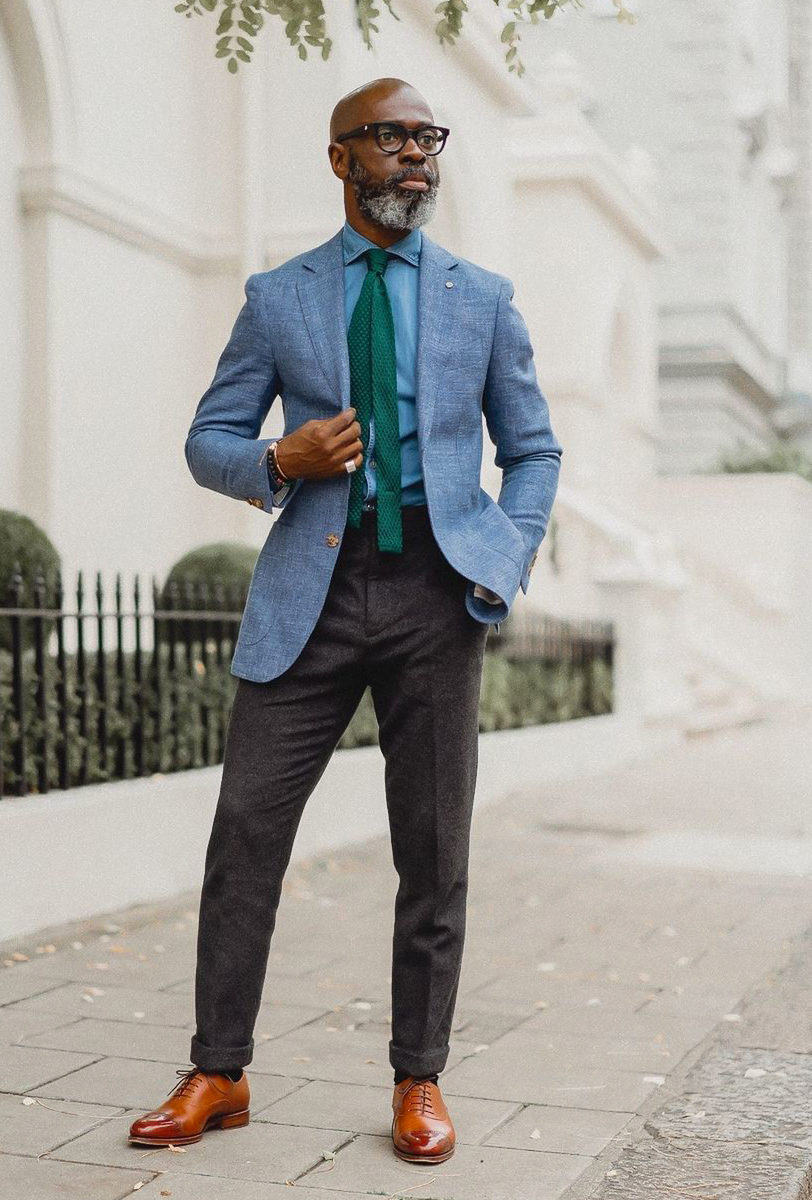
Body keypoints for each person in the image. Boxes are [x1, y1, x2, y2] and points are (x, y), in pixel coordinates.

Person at [128, 76, 562, 1165]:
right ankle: (217, 1072)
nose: (416, 154)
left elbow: (535, 451)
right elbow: (207, 438)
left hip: (435, 590)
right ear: (341, 159)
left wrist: (500, 562)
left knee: (433, 850)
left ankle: (420, 1079)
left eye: (429, 137)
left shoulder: (484, 296)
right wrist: (281, 456)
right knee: (244, 842)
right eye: (392, 137)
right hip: (308, 595)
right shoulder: (280, 297)